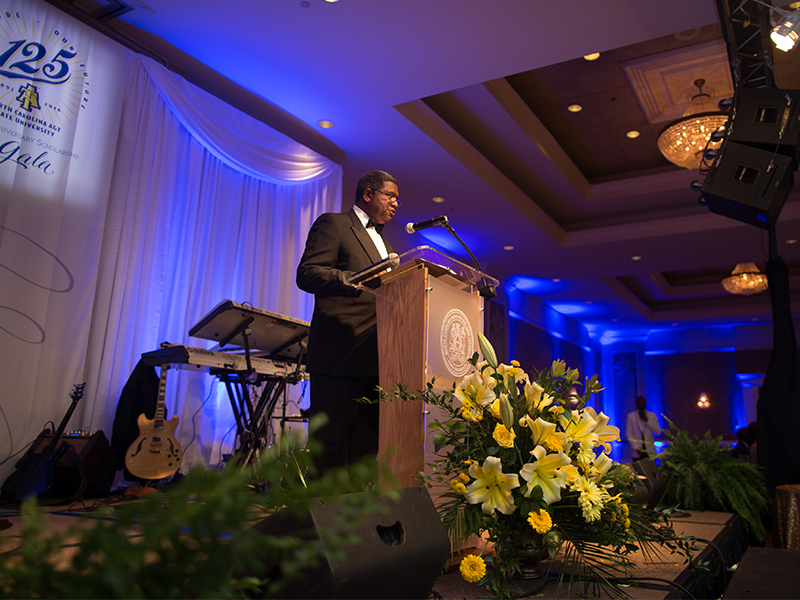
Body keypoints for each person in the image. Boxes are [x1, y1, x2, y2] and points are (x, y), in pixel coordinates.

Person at [296, 170, 399, 473]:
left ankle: (357, 503)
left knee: (366, 446)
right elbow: (308, 273)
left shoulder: (386, 244)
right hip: (339, 352)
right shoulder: (334, 224)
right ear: (368, 194)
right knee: (330, 446)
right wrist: (355, 279)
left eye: (397, 199)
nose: (395, 203)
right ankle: (321, 504)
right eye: (390, 196)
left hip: (376, 355)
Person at [626, 396, 661, 461]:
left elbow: (658, 431)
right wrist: (637, 448)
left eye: (644, 402)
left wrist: (647, 421)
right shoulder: (631, 416)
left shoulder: (652, 416)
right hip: (637, 452)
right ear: (637, 403)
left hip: (650, 451)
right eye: (640, 402)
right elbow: (629, 434)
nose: (642, 404)